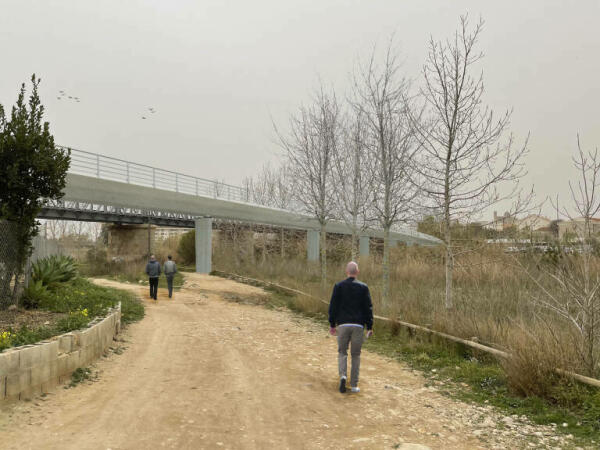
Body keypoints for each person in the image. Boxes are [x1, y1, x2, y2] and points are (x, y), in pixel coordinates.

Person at [328, 261, 373, 394]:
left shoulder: (338, 286)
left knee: (342, 352)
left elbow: (333, 306)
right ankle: (353, 385)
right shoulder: (364, 287)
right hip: (358, 326)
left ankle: (343, 376)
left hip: (342, 325)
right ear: (357, 272)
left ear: (346, 272)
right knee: (356, 355)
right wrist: (369, 326)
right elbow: (368, 308)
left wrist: (332, 324)